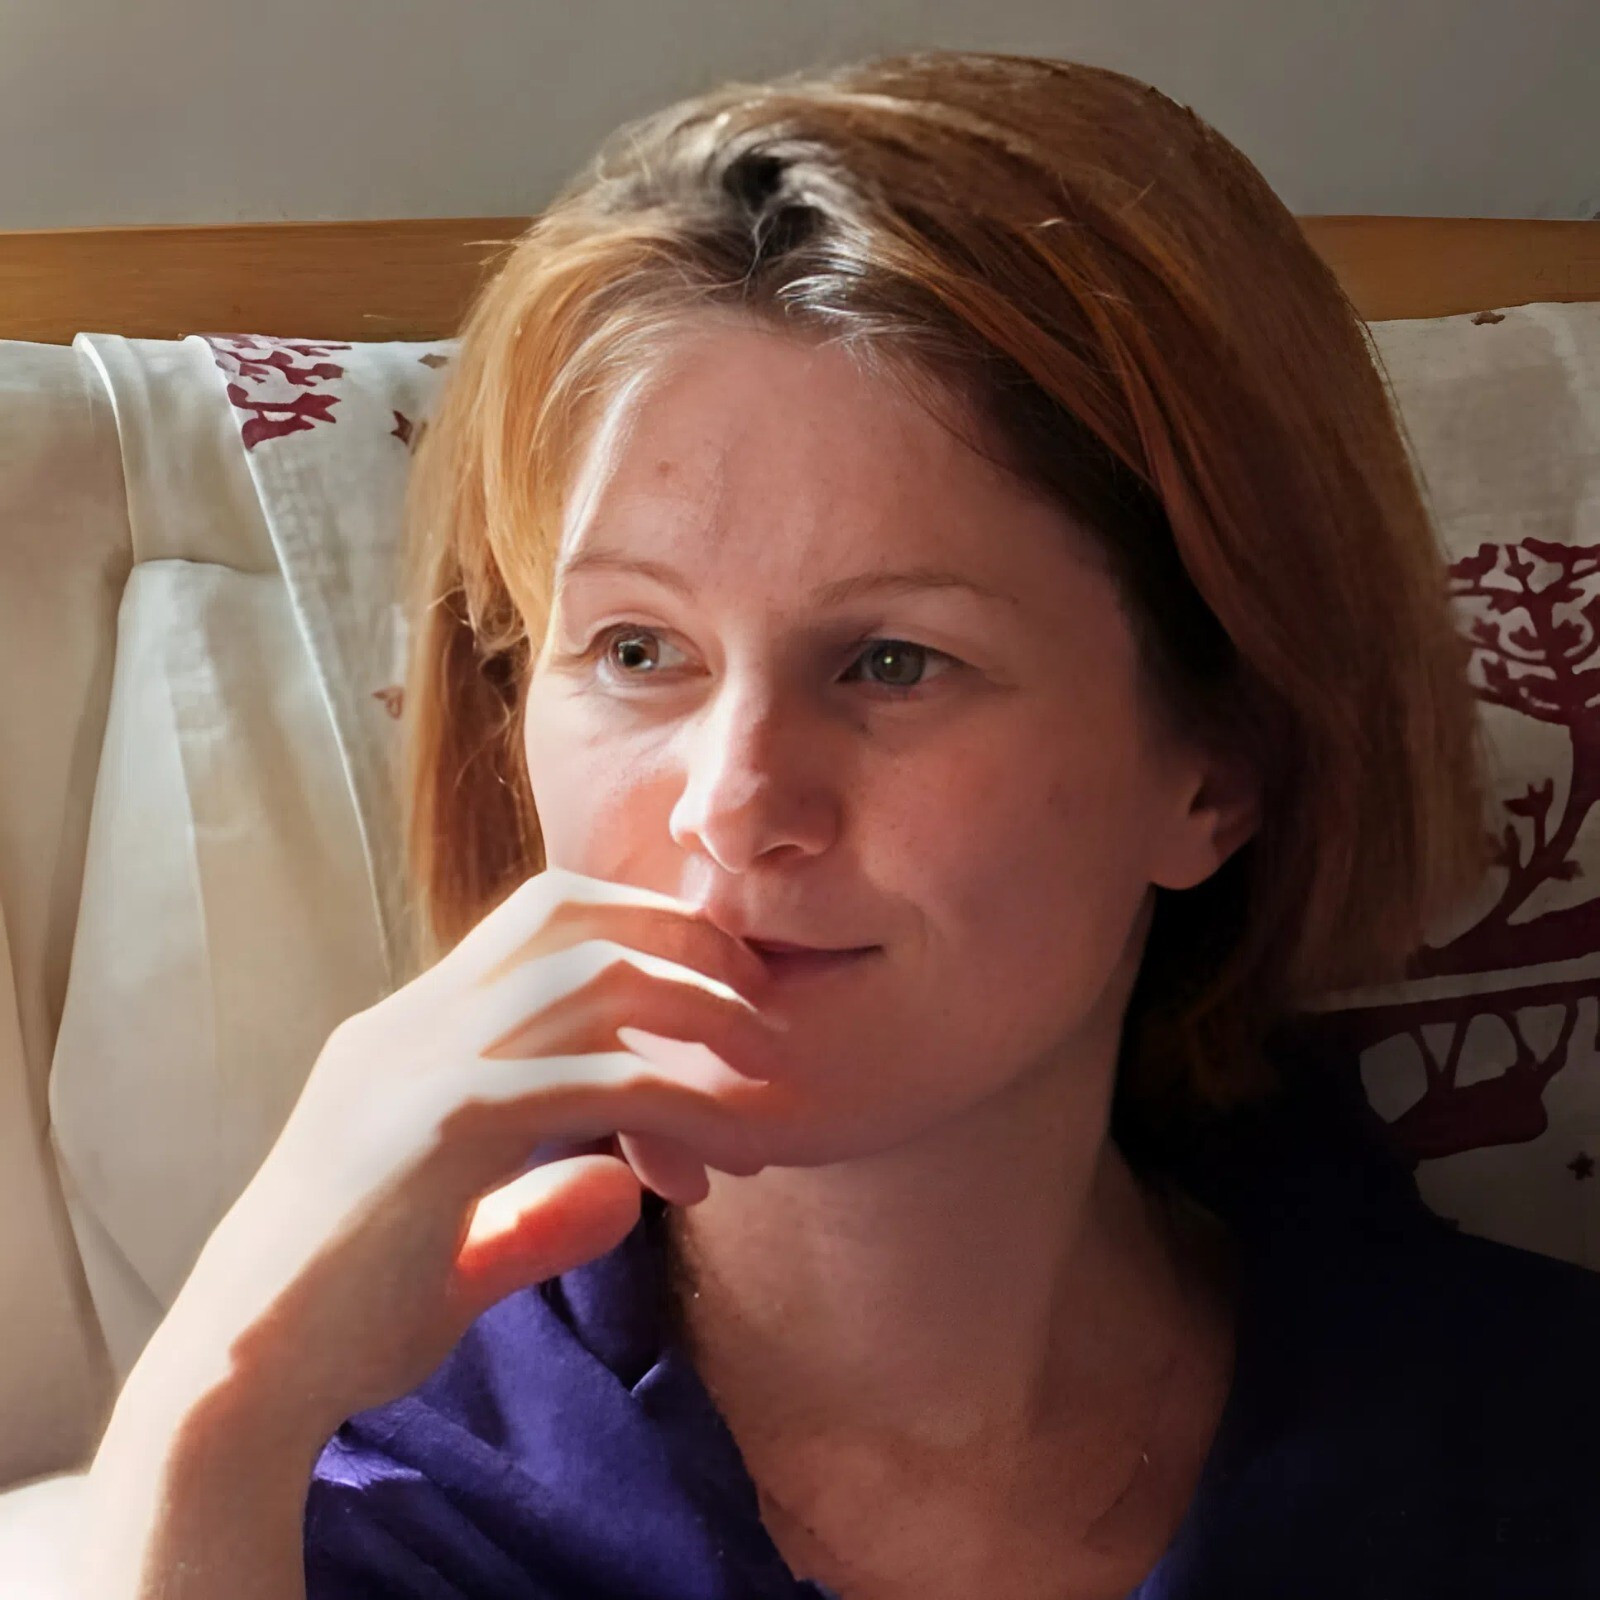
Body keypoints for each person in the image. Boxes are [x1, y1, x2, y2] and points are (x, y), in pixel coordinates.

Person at [80, 49, 1600, 1600]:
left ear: (1218, 770)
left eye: (893, 663)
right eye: (636, 650)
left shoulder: (1529, 1454)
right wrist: (211, 1419)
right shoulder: (316, 1500)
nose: (733, 806)